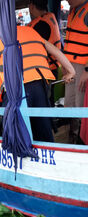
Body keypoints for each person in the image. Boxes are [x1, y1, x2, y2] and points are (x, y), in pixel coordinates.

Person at [0, 13, 75, 143]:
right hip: (40, 88)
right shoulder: (30, 31)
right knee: (43, 132)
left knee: (17, 136)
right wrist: (70, 71)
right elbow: (56, 51)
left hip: (17, 92)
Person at [63, 0, 88, 144]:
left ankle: (81, 142)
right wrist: (64, 64)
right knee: (69, 104)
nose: (67, 0)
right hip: (70, 67)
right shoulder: (73, 11)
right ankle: (71, 139)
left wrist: (86, 69)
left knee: (80, 105)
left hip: (82, 67)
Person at [28, 0, 62, 79]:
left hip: (48, 70)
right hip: (55, 66)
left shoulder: (40, 25)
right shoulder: (49, 17)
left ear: (32, 6)